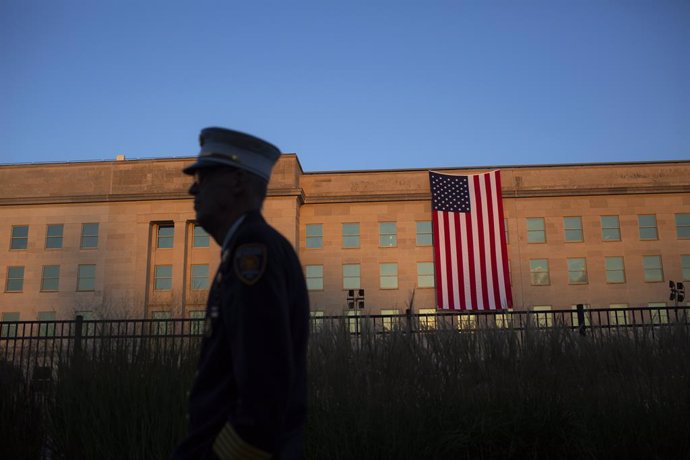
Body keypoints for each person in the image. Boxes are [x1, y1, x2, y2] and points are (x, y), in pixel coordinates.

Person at [169, 127, 310, 460]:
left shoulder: (252, 252)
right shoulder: (244, 249)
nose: (192, 188)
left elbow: (264, 384)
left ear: (235, 181)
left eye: (203, 178)